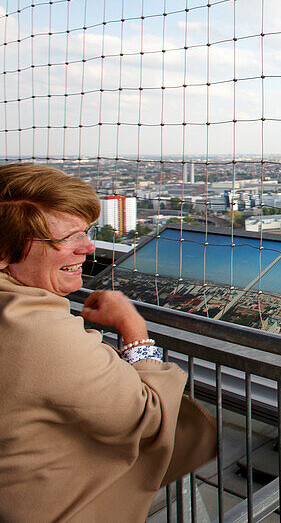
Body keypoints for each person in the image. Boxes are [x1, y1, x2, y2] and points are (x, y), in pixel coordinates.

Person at [0, 162, 217, 522]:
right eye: (65, 238)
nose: (87, 248)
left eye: (86, 233)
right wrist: (133, 327)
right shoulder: (36, 332)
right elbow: (149, 418)